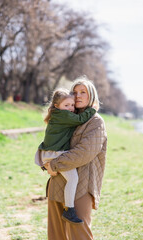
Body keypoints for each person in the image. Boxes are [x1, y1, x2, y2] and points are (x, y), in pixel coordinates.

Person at [44, 76, 107, 240]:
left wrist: (54, 164)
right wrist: (46, 163)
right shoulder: (65, 117)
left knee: (79, 234)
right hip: (57, 182)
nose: (78, 95)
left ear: (91, 96)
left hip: (81, 185)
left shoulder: (95, 122)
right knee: (56, 235)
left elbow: (83, 153)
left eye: (83, 92)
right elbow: (51, 142)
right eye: (75, 92)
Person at [35, 88, 96, 224]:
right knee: (73, 179)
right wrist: (93, 109)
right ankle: (69, 210)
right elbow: (81, 118)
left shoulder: (57, 114)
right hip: (55, 153)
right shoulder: (63, 115)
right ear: (57, 106)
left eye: (72, 105)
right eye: (66, 105)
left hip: (50, 152)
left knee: (70, 179)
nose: (70, 108)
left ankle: (68, 208)